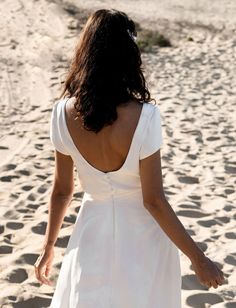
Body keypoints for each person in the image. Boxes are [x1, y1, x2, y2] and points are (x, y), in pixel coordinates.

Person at [34, 8, 225, 307]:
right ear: (128, 54)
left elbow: (62, 190)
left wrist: (48, 247)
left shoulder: (61, 114)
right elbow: (154, 200)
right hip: (144, 239)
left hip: (90, 234)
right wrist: (199, 259)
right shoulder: (146, 117)